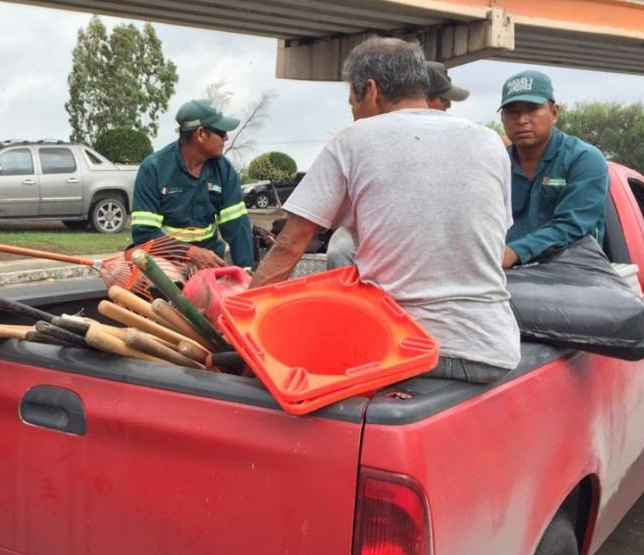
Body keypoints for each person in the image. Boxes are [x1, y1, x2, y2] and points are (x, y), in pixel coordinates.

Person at [251, 37, 520, 383]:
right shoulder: (490, 142)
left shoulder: (354, 140)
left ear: (372, 90)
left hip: (402, 355)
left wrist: (241, 324)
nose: (352, 112)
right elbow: (492, 239)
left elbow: (290, 246)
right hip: (493, 352)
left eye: (353, 101)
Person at [323, 60, 471, 269]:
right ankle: (355, 300)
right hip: (384, 226)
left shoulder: (462, 140)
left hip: (435, 228)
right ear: (421, 98)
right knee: (342, 248)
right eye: (444, 99)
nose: (449, 106)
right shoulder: (368, 141)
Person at [499, 70, 609, 268]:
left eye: (532, 109)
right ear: (502, 119)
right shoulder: (496, 164)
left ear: (554, 113)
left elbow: (571, 225)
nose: (522, 120)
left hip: (573, 277)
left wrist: (515, 252)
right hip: (505, 277)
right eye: (512, 111)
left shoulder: (584, 159)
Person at [130, 98, 254, 270]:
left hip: (210, 259)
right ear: (201, 133)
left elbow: (237, 226)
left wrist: (246, 272)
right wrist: (190, 253)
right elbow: (144, 234)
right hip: (166, 261)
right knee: (168, 289)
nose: (225, 137)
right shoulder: (153, 169)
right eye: (221, 131)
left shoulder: (224, 170)